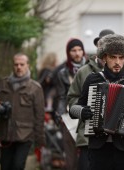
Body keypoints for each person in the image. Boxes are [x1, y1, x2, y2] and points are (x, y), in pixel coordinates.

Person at [69, 34, 124, 170]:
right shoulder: (93, 79)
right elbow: (73, 109)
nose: (117, 62)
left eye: (121, 58)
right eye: (113, 57)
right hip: (99, 146)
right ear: (104, 57)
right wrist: (82, 111)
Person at [67, 29, 114, 170]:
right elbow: (72, 99)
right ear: (98, 47)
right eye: (102, 45)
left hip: (116, 138)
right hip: (88, 136)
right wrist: (82, 110)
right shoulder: (83, 71)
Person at [0, 53, 45, 170]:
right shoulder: (3, 83)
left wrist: (40, 141)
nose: (18, 67)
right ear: (12, 66)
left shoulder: (35, 88)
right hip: (5, 134)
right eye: (16, 64)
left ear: (28, 66)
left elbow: (40, 116)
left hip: (25, 136)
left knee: (18, 166)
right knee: (5, 166)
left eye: (22, 64)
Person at [55, 38, 87, 170]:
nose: (77, 53)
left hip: (87, 114)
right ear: (68, 53)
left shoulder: (90, 69)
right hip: (70, 116)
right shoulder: (62, 73)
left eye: (80, 50)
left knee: (87, 154)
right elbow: (61, 96)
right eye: (73, 50)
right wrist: (61, 114)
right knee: (70, 157)